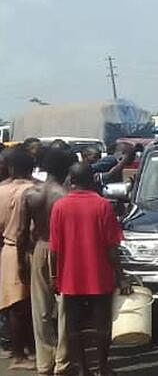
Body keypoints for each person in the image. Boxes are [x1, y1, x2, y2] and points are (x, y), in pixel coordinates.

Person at [50, 163, 131, 376]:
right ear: (92, 179)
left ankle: (84, 369)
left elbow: (54, 248)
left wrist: (54, 276)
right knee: (102, 324)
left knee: (73, 326)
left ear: (71, 180)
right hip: (100, 275)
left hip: (70, 277)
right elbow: (112, 248)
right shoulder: (103, 205)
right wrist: (121, 277)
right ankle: (103, 367)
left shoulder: (60, 206)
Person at [18, 149, 74, 375]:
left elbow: (22, 232)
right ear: (65, 170)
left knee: (40, 308)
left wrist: (22, 261)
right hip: (63, 250)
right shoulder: (66, 196)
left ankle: (44, 363)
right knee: (64, 307)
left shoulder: (31, 194)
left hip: (39, 247)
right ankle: (63, 361)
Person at [0, 147, 36, 371]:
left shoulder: (1, 191)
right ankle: (20, 354)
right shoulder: (36, 190)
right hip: (31, 249)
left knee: (14, 304)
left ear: (10, 167)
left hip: (8, 248)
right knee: (27, 305)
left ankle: (18, 350)